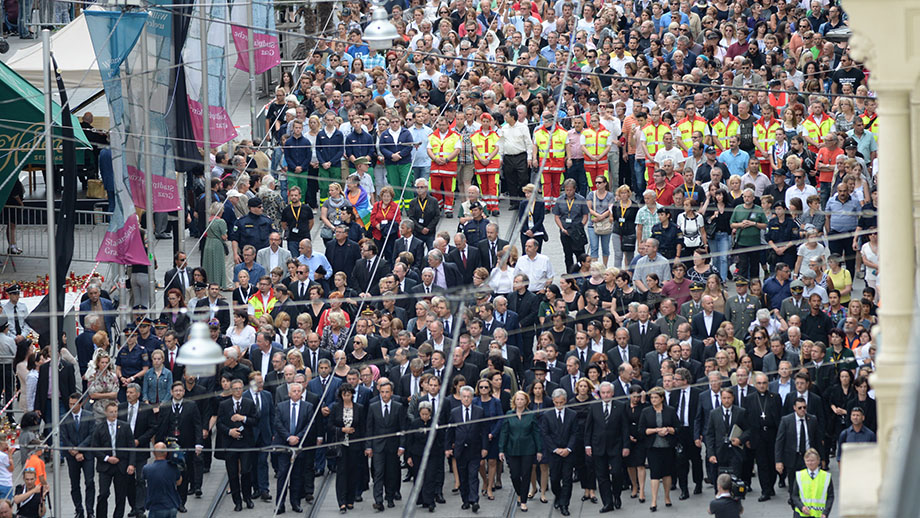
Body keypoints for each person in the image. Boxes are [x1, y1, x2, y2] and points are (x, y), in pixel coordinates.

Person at [585, 381, 630, 512]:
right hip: (598, 446)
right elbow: (589, 428)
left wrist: (626, 446)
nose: (605, 395)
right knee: (602, 476)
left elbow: (625, 428)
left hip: (615, 446)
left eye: (608, 392)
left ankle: (616, 494)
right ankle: (607, 502)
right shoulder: (594, 406)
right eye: (603, 393)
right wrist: (587, 445)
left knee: (616, 472)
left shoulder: (620, 406)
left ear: (612, 393)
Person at [273, 381, 315, 513]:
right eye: (294, 391)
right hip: (284, 446)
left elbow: (309, 425)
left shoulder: (308, 406)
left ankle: (295, 502)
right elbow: (278, 423)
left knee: (297, 476)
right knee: (282, 475)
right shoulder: (281, 406)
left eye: (299, 391)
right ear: (289, 393)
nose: (296, 393)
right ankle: (280, 504)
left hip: (299, 446)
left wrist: (298, 437)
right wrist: (288, 437)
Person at [446, 385, 488, 513]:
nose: (466, 399)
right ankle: (465, 500)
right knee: (463, 476)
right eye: (463, 397)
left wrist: (485, 447)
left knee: (473, 475)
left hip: (474, 449)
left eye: (468, 397)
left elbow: (484, 430)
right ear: (460, 398)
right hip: (460, 450)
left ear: (472, 398)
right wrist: (448, 448)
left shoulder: (479, 411)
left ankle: (474, 500)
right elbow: (450, 431)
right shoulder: (455, 412)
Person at [218, 379, 258, 511]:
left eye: (240, 388)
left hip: (246, 443)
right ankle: (237, 502)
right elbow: (220, 423)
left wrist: (243, 418)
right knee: (232, 473)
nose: (237, 391)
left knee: (246, 471)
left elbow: (255, 420)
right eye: (235, 388)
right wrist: (229, 432)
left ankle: (247, 497)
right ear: (231, 390)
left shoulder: (249, 403)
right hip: (230, 444)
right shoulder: (224, 405)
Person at [499, 391, 542, 512]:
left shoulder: (531, 415)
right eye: (518, 399)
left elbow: (536, 433)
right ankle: (519, 492)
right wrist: (501, 449)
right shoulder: (509, 414)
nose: (520, 402)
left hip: (528, 449)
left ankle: (523, 500)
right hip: (512, 449)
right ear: (514, 401)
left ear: (526, 401)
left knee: (526, 474)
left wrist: (539, 450)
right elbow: (504, 432)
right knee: (514, 474)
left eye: (522, 399)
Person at [365, 380, 405, 510]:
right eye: (382, 392)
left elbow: (402, 428)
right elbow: (369, 428)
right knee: (378, 473)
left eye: (387, 392)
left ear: (392, 393)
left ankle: (390, 497)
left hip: (393, 446)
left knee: (391, 473)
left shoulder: (398, 407)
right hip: (378, 446)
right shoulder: (373, 406)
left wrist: (402, 446)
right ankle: (378, 500)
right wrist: (368, 446)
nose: (385, 395)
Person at [91, 400, 136, 518]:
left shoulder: (125, 426)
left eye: (115, 412)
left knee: (121, 495)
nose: (113, 414)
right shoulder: (99, 428)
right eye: (111, 412)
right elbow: (94, 448)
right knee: (103, 493)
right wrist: (106, 458)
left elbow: (131, 446)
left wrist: (131, 464)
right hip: (105, 466)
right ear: (106, 413)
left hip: (121, 465)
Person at [640, 386, 679, 512]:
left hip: (667, 446)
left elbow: (677, 428)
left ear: (662, 398)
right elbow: (641, 430)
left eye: (656, 397)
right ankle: (654, 501)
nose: (653, 400)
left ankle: (667, 497)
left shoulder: (670, 411)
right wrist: (656, 430)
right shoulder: (646, 411)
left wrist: (667, 430)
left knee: (667, 473)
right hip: (653, 447)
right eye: (651, 398)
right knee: (655, 474)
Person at [540, 388, 577, 516]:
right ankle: (559, 495)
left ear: (565, 401)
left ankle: (564, 504)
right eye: (556, 403)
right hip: (554, 453)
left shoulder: (572, 415)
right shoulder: (547, 415)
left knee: (567, 479)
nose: (559, 405)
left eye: (561, 402)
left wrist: (568, 449)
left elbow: (574, 433)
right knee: (555, 479)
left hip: (568, 453)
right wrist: (555, 449)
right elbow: (545, 434)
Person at [60, 392, 95, 518]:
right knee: (74, 484)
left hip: (87, 455)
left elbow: (91, 435)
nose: (72, 406)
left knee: (89, 482)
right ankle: (79, 509)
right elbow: (64, 436)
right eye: (70, 404)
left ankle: (90, 510)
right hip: (72, 456)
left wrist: (79, 449)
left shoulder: (90, 416)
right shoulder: (64, 418)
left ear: (81, 403)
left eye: (74, 404)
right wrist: (73, 450)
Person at [790, 449, 834, 518]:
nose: (810, 463)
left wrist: (826, 512)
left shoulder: (826, 476)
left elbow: (830, 497)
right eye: (808, 461)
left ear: (818, 461)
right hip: (802, 514)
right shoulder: (799, 475)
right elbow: (794, 495)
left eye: (812, 461)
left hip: (819, 514)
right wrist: (802, 507)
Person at [142, 442, 182, 518]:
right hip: (172, 506)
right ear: (166, 453)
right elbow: (179, 482)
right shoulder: (173, 467)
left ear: (153, 453)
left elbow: (144, 479)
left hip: (156, 507)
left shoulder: (147, 468)